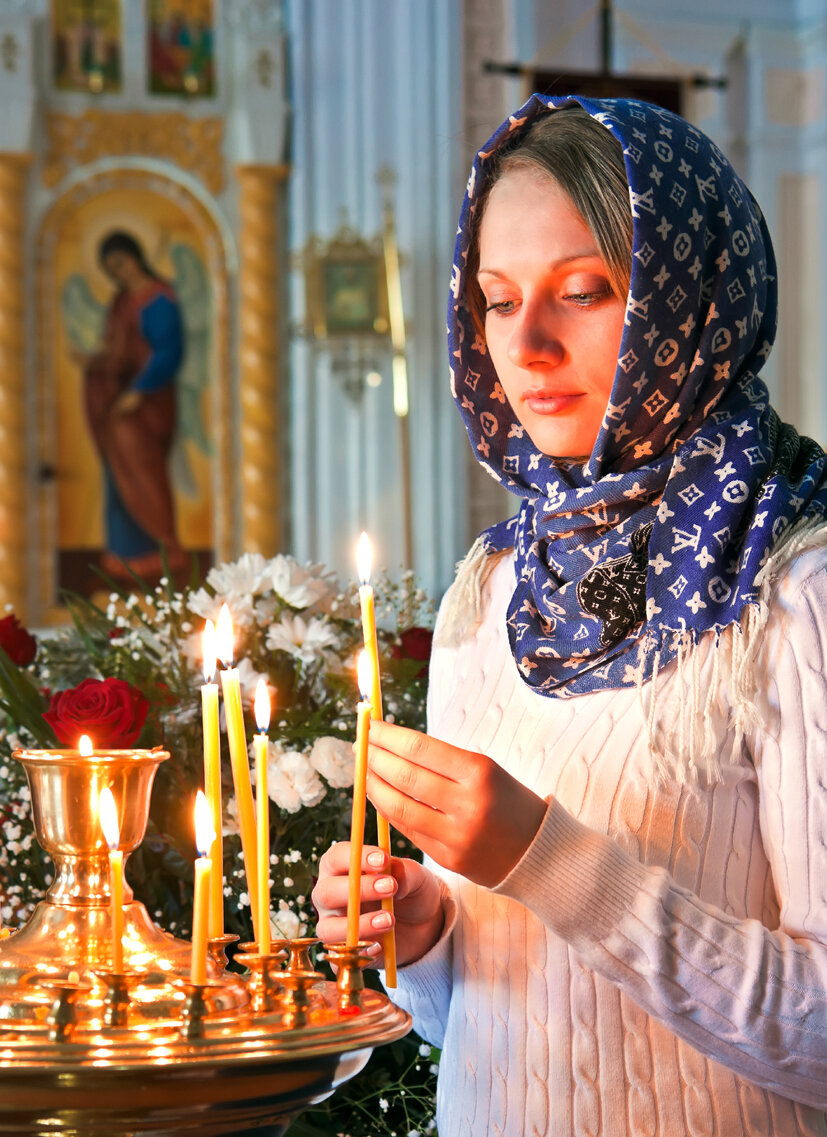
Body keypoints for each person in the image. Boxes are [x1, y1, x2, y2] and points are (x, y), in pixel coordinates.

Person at [313, 94, 827, 1136]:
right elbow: (473, 1023)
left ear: (684, 301)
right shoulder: (492, 586)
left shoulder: (793, 585)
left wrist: (543, 859)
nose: (528, 345)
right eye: (498, 301)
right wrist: (422, 937)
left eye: (582, 292)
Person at [75, 231, 187, 582]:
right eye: (111, 269)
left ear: (135, 257)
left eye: (120, 263)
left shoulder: (159, 300)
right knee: (117, 474)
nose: (118, 273)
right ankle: (124, 556)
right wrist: (96, 362)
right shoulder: (122, 300)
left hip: (147, 402)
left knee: (144, 473)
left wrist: (139, 390)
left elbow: (167, 351)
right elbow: (117, 352)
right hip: (119, 400)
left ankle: (164, 546)